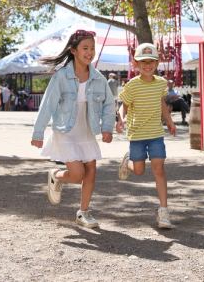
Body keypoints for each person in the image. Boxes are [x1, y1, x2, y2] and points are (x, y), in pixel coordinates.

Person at [31, 29, 115, 228]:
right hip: (65, 131)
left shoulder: (98, 78)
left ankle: (83, 213)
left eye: (92, 48)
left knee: (91, 172)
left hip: (86, 130)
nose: (89, 52)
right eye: (85, 48)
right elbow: (48, 104)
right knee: (77, 175)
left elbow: (109, 104)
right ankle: (57, 176)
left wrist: (107, 127)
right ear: (74, 50)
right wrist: (38, 132)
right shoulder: (61, 76)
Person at [116, 43, 177, 229]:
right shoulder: (132, 85)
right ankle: (128, 162)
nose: (147, 65)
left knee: (159, 169)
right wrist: (121, 119)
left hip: (156, 134)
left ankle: (164, 211)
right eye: (143, 62)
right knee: (140, 170)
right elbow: (122, 105)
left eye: (151, 62)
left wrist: (170, 122)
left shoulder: (161, 83)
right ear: (136, 64)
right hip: (137, 134)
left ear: (157, 63)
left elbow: (162, 105)